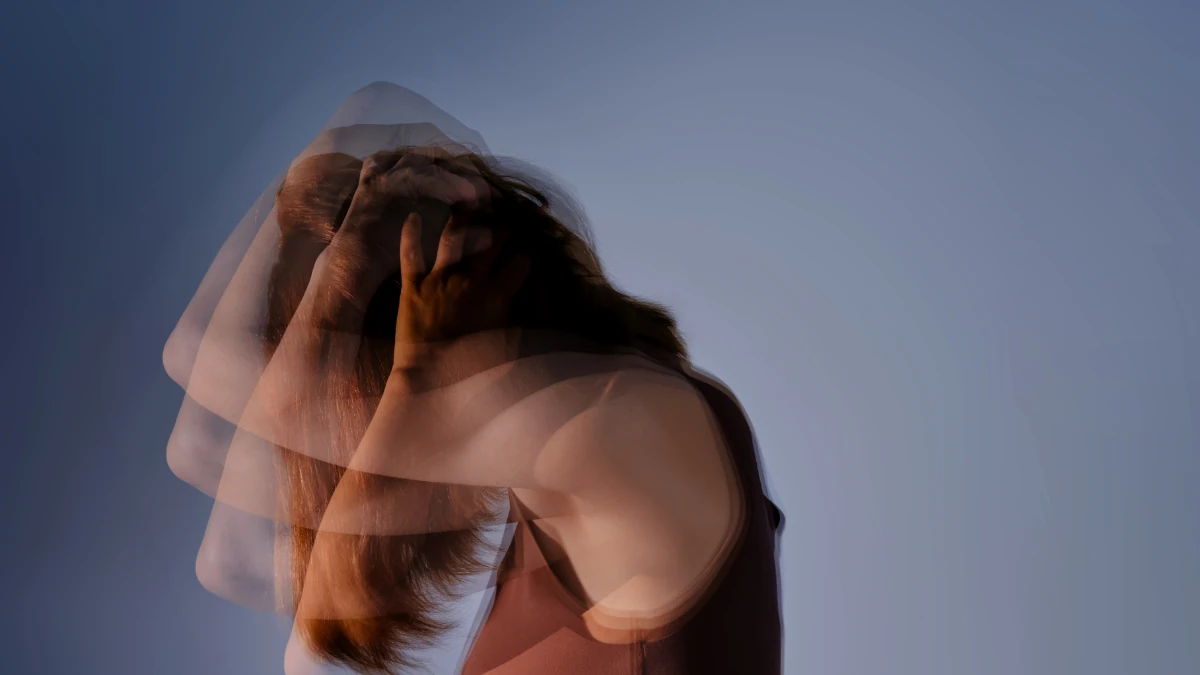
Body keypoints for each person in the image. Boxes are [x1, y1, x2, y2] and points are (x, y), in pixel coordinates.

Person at [164, 83, 784, 674]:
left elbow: (330, 619)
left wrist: (363, 306)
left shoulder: (599, 428)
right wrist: (354, 251)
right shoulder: (585, 383)